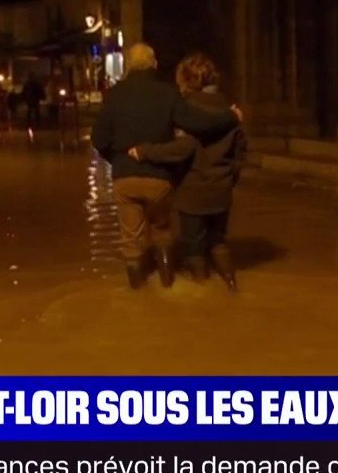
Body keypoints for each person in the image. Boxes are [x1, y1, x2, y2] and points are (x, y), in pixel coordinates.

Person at [90, 43, 242, 290]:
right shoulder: (168, 93)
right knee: (162, 231)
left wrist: (118, 161)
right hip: (159, 178)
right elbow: (198, 123)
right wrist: (231, 116)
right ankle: (168, 284)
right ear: (155, 64)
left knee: (131, 240)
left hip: (124, 179)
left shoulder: (114, 95)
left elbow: (99, 139)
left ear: (128, 65)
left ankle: (137, 296)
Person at [129, 53, 247, 292]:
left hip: (193, 189)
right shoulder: (230, 108)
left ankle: (201, 291)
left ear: (186, 79)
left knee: (193, 245)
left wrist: (145, 151)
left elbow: (181, 149)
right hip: (222, 188)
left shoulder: (188, 109)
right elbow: (240, 151)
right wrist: (229, 177)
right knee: (217, 240)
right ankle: (232, 286)